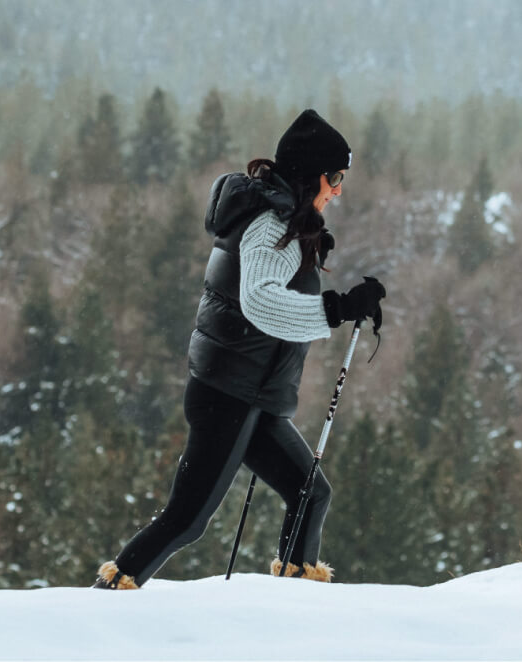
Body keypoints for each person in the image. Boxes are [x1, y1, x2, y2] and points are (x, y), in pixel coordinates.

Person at [95, 109, 386, 589]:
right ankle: (110, 593)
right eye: (334, 177)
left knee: (309, 492)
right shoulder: (271, 226)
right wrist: (336, 309)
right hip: (227, 396)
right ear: (310, 173)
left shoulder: (283, 220)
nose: (338, 189)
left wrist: (346, 304)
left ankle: (294, 601)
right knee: (185, 520)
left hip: (249, 394)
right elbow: (260, 303)